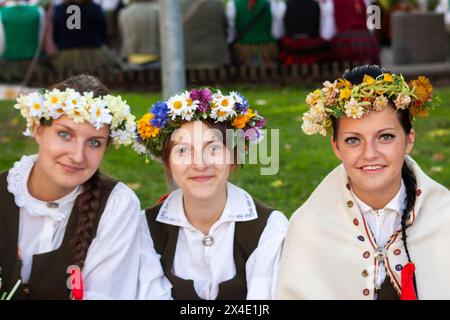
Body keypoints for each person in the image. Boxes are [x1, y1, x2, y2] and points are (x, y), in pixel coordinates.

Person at [276, 64, 450, 299]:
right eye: (353, 140)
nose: (370, 154)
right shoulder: (309, 226)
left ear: (409, 140)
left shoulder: (444, 216)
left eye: (385, 137)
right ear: (336, 146)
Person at [0, 74, 169, 300]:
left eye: (94, 142)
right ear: (39, 130)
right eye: (65, 134)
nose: (77, 156)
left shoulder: (116, 205)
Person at [134, 88, 288, 299]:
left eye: (213, 148)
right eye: (183, 151)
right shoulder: (145, 229)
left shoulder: (268, 229)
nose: (200, 163)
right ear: (167, 162)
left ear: (234, 156)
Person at [226, 0, 286, 67]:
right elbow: (277, 33)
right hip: (267, 49)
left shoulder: (233, 4)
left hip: (242, 50)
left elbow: (231, 32)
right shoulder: (273, 4)